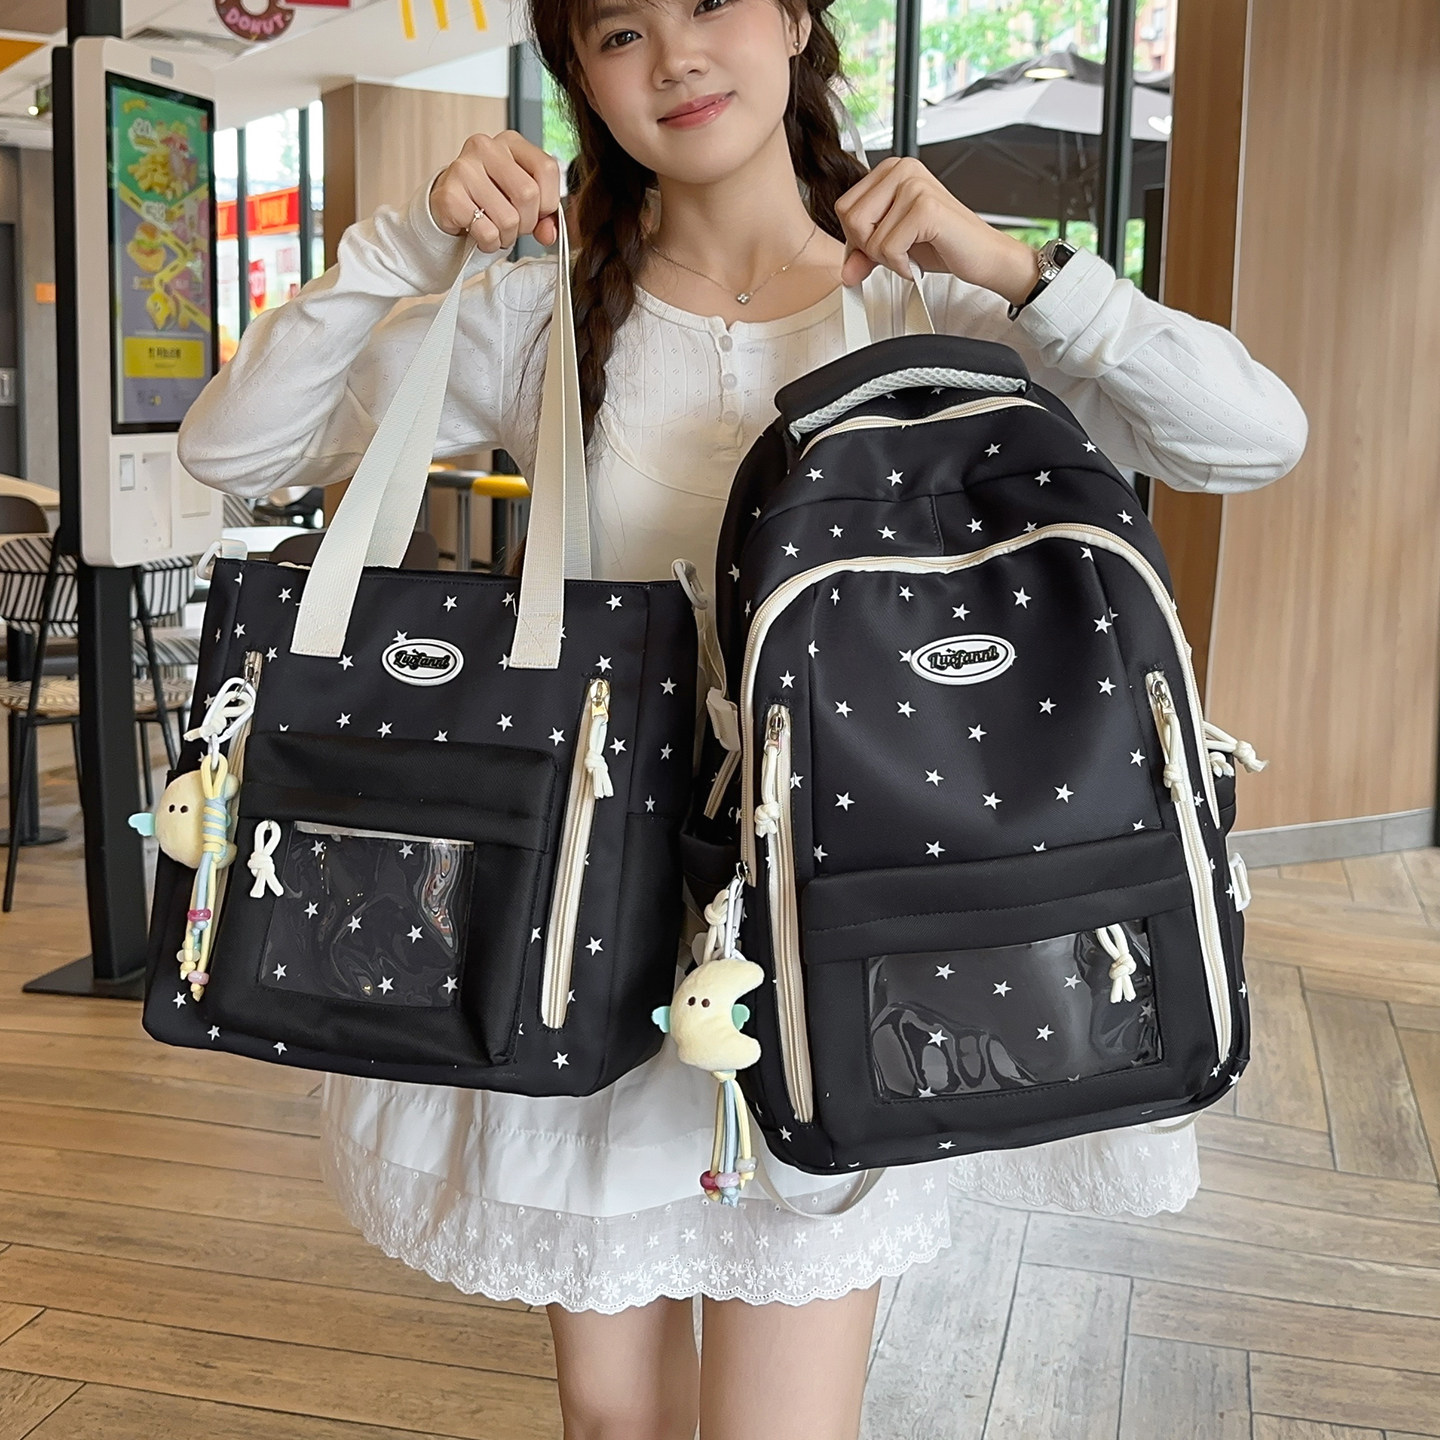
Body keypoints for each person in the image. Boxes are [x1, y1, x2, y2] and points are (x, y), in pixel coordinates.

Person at [177, 1, 1308, 1435]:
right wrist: (405, 250)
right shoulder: (545, 312)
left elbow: (1252, 437)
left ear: (794, 20)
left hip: (845, 927)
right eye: (621, 31)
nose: (678, 56)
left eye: (713, 2)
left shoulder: (933, 307)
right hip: (591, 923)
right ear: (583, 80)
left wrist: (1020, 270)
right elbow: (233, 449)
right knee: (613, 1420)